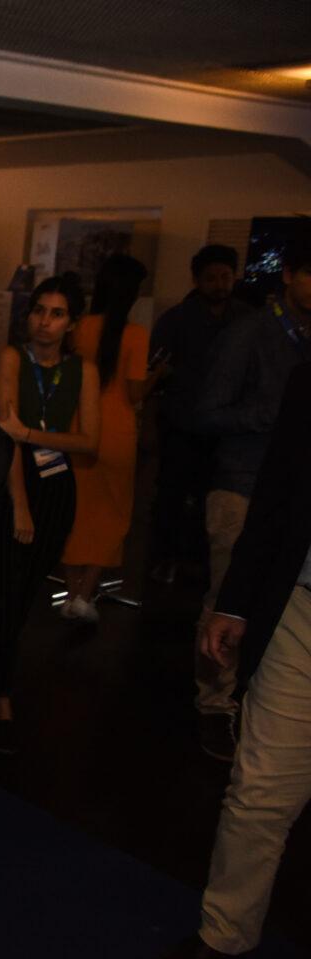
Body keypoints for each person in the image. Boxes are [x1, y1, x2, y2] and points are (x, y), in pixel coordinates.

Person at [150, 361, 311, 959]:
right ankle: (225, 934)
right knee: (260, 789)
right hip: (302, 608)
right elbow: (280, 489)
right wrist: (236, 600)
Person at [189, 234, 311, 761]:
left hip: (292, 504)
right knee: (229, 597)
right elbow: (203, 412)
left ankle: (258, 707)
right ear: (288, 275)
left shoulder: (304, 339)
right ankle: (216, 706)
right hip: (241, 486)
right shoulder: (249, 333)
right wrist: (274, 417)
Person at [0, 275, 100, 754]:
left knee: (24, 594)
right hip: (16, 482)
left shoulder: (83, 370)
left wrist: (29, 433)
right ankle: (0, 695)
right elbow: (5, 438)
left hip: (57, 487)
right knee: (4, 589)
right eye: (39, 311)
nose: (45, 322)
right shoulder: (13, 358)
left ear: (72, 323)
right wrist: (19, 503)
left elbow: (89, 441)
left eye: (57, 313)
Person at [149, 245, 249, 586]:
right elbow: (156, 370)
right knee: (172, 493)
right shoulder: (176, 319)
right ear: (197, 280)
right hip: (183, 422)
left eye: (225, 277)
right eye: (211, 278)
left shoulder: (246, 319)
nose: (219, 285)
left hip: (226, 430)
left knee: (216, 496)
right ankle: (165, 557)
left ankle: (200, 560)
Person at [59, 254, 151, 623]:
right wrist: (158, 374)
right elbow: (135, 393)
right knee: (111, 515)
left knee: (75, 512)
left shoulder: (80, 328)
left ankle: (70, 594)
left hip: (79, 427)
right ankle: (85, 595)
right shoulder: (136, 334)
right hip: (117, 433)